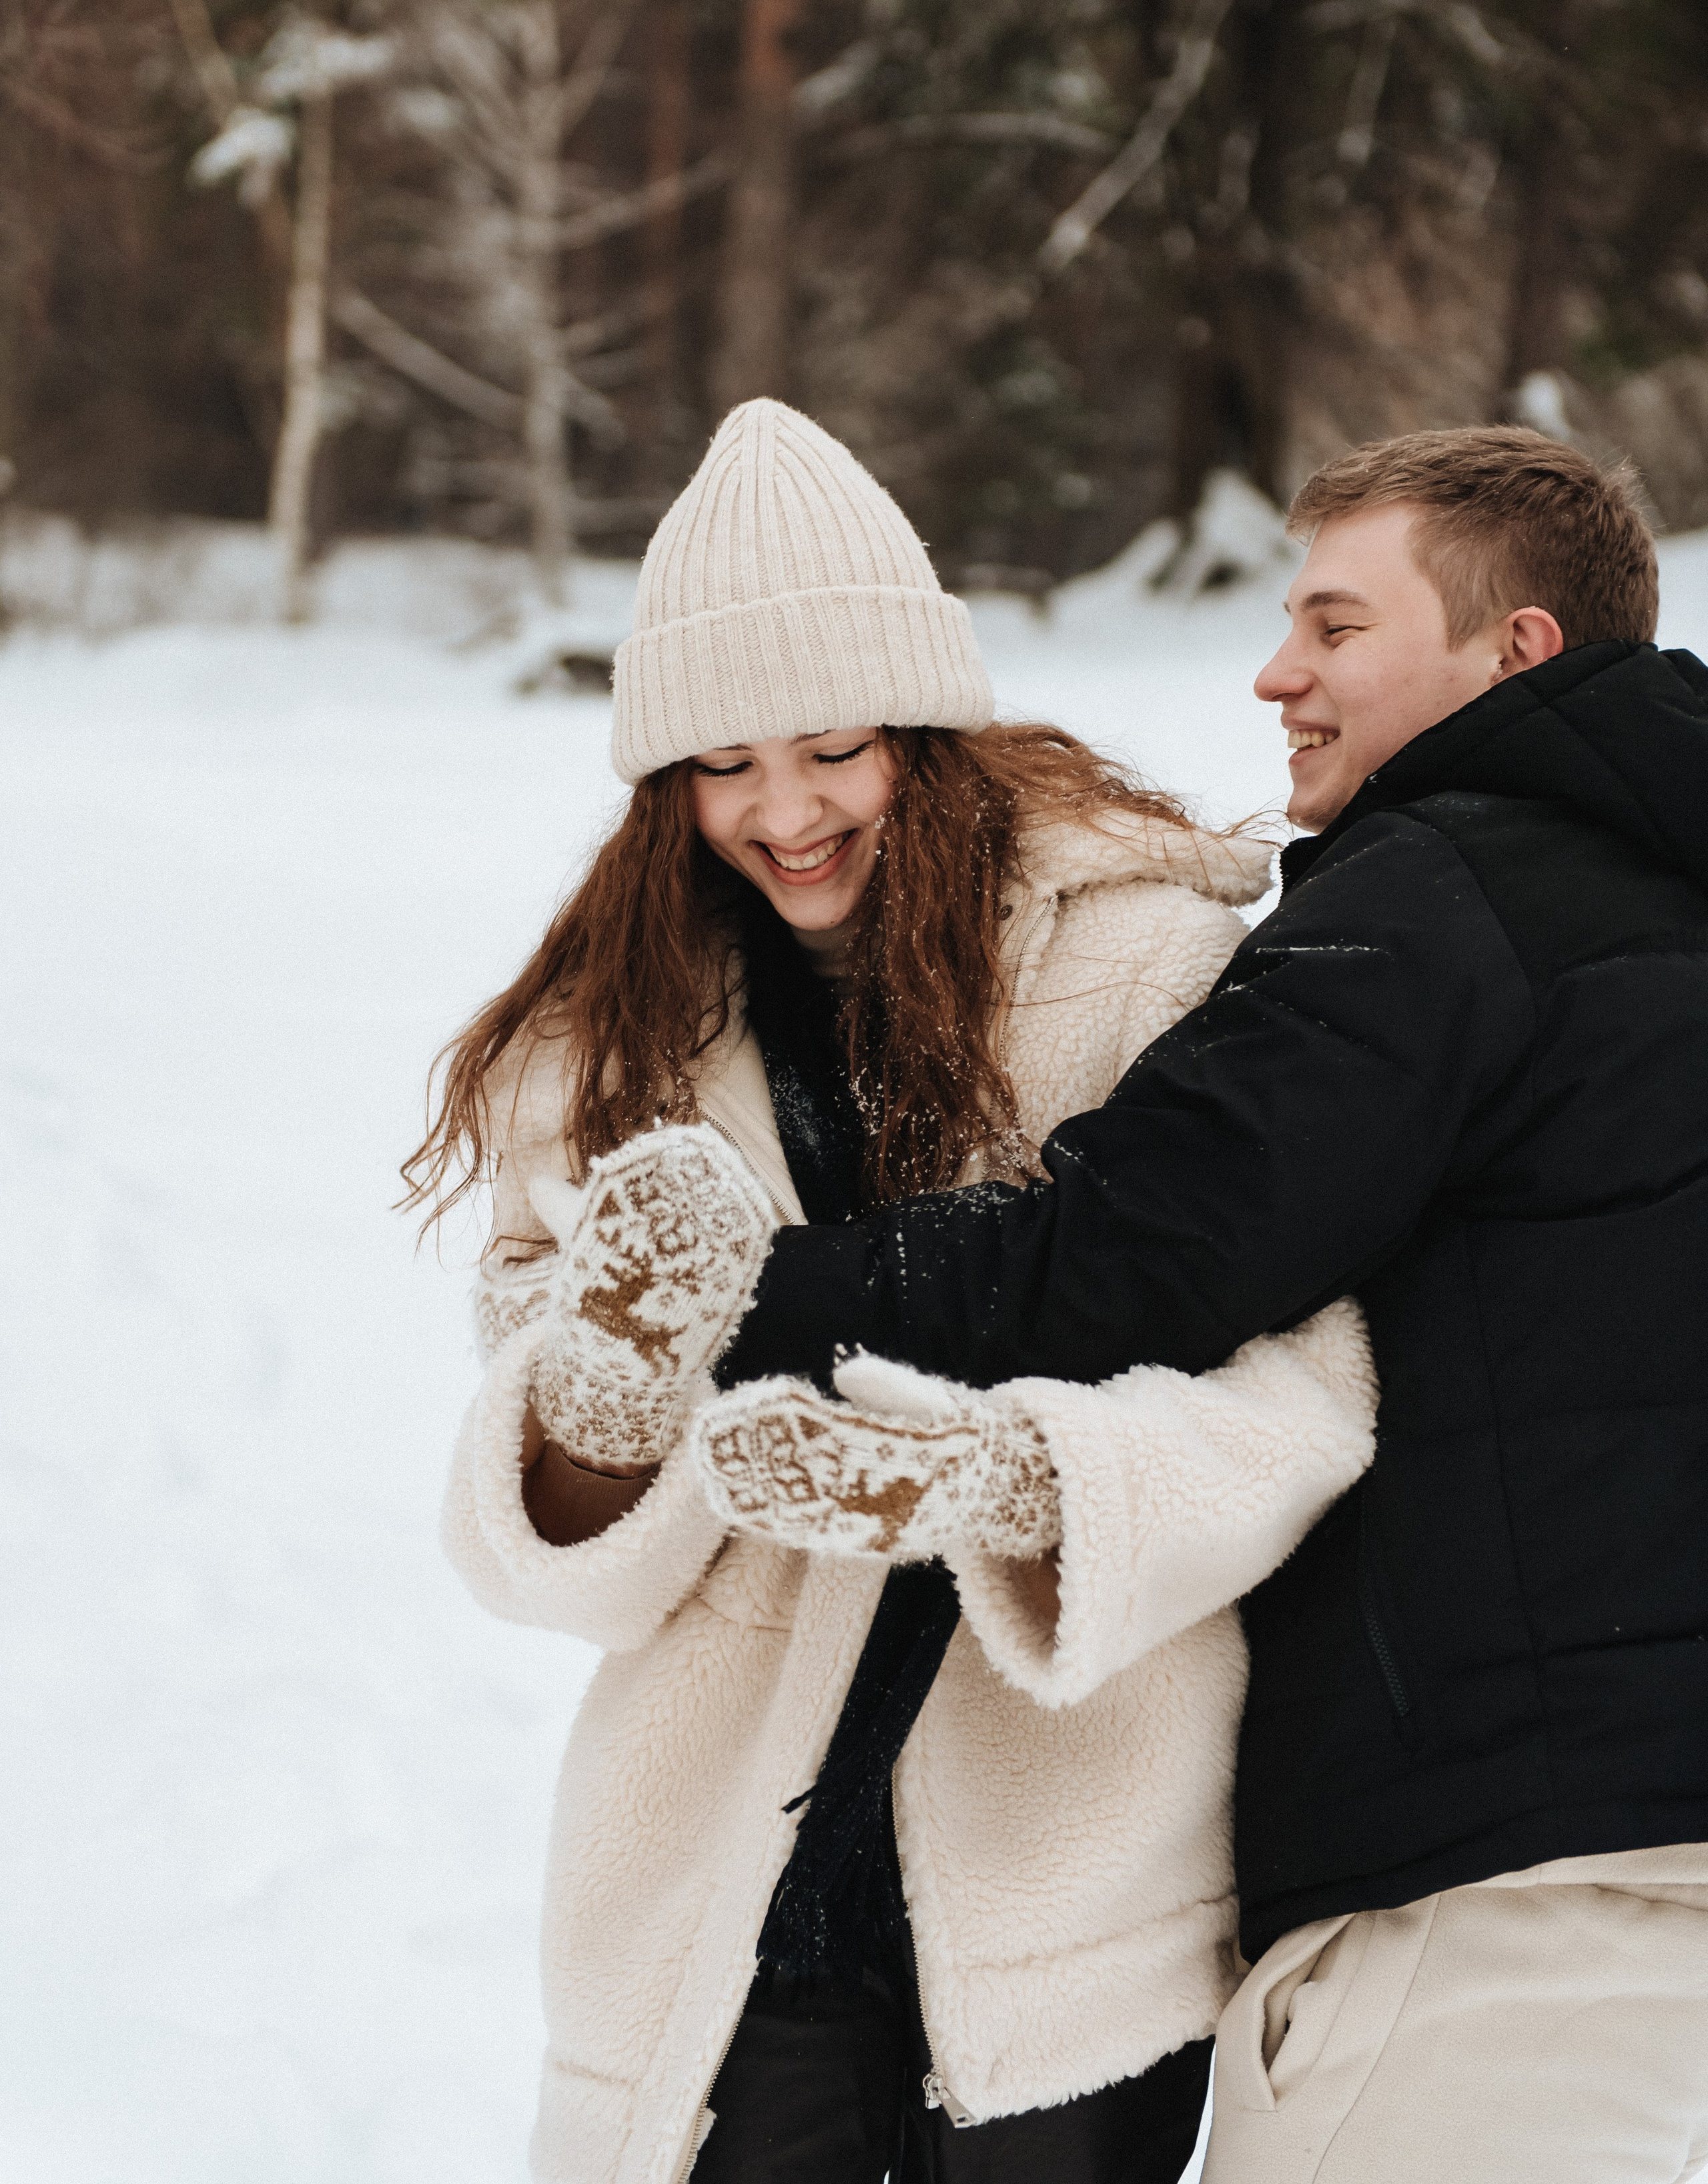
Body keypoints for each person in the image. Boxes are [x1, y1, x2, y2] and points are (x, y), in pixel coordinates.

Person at [705, 425, 1708, 2184]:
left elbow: (1132, 1252)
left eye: (1337, 625)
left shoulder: (1450, 892)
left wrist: (733, 1299)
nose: (1277, 672)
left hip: (1518, 1897)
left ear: (1519, 647)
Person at [410, 398, 1375, 2184]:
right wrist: (596, 1421)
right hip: (727, 1898)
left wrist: (1021, 1484)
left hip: (1069, 1889)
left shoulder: (1151, 970)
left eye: (834, 748)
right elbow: (539, 1555)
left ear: (920, 730)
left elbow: (1307, 1398)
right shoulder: (609, 1048)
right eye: (724, 765)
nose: (784, 813)